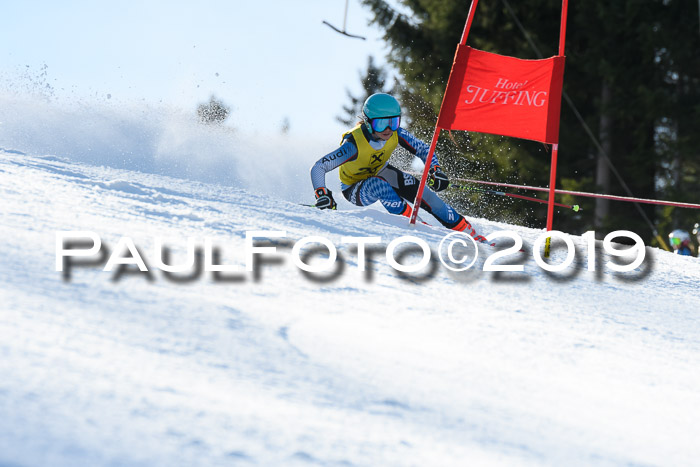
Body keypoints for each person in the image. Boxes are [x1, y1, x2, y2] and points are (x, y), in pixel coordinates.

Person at [310, 93, 485, 241]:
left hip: (382, 172)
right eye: (381, 124)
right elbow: (319, 167)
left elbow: (424, 150)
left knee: (425, 194)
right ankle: (418, 227)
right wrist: (322, 193)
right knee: (379, 185)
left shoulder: (396, 133)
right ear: (368, 122)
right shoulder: (353, 145)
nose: (388, 129)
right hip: (355, 189)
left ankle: (474, 236)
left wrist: (435, 170)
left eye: (393, 122)